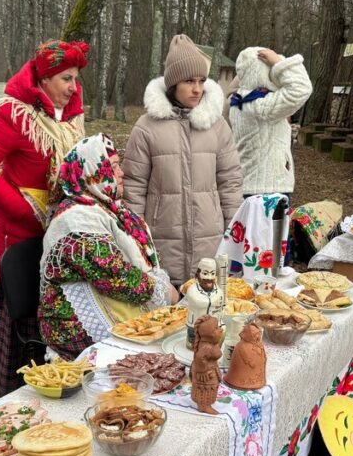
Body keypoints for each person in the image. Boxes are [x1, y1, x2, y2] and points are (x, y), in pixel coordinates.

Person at [0, 39, 89, 395]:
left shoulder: (70, 118)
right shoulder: (15, 114)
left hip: (59, 231)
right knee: (26, 310)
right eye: (65, 78)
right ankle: (18, 386)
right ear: (44, 79)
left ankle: (57, 377)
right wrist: (20, 209)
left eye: (76, 79)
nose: (72, 87)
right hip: (20, 235)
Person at [38, 134, 178, 360]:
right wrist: (161, 289)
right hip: (71, 324)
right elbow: (114, 275)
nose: (121, 173)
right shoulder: (76, 219)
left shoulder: (108, 208)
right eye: (113, 167)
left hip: (109, 301)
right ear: (92, 172)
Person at [122, 34, 243, 283]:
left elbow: (230, 182)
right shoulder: (146, 127)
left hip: (209, 242)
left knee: (209, 318)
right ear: (173, 84)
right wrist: (135, 239)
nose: (197, 88)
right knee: (167, 318)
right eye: (189, 81)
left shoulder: (217, 125)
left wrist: (234, 230)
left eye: (201, 80)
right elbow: (133, 187)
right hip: (162, 244)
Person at [229, 46, 313, 197]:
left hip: (251, 185)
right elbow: (301, 88)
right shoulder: (261, 106)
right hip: (268, 189)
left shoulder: (238, 102)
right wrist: (278, 62)